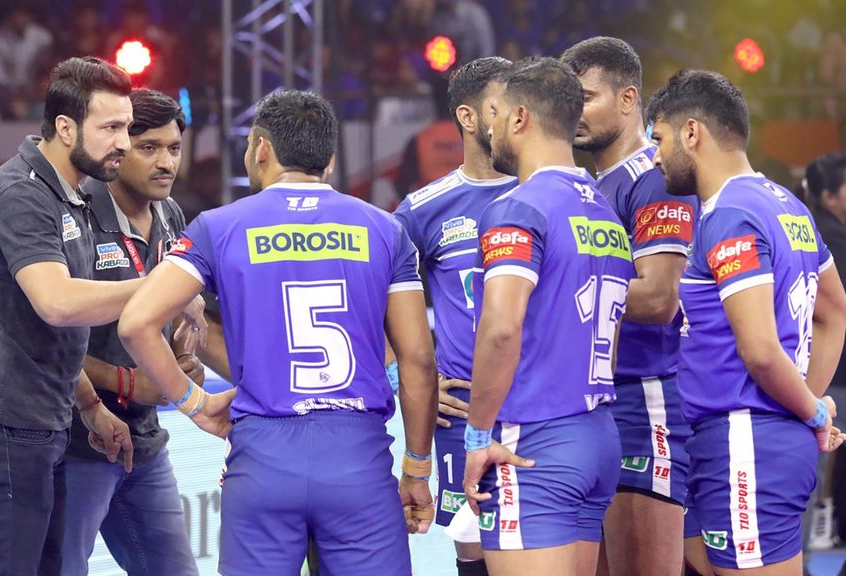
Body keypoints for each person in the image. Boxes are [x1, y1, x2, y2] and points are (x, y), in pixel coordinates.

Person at [118, 89, 439, 575]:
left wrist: (194, 404)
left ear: (260, 149)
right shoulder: (386, 230)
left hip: (263, 455)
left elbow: (136, 322)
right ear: (329, 160)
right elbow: (417, 359)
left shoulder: (217, 227)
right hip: (358, 458)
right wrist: (417, 466)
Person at [0, 56, 169, 576]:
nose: (124, 143)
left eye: (127, 128)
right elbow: (58, 303)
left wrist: (90, 408)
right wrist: (166, 286)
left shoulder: (76, 193)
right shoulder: (22, 193)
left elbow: (51, 336)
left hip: (46, 421)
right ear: (65, 128)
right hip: (3, 423)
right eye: (110, 128)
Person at [647, 69, 846, 575]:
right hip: (748, 438)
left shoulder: (730, 214)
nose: (653, 156)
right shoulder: (788, 205)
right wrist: (803, 403)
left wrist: (811, 412)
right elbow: (835, 311)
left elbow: (759, 349)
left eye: (659, 138)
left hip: (747, 439)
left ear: (692, 133)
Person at [461, 57, 632, 576]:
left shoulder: (520, 206)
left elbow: (501, 329)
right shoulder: (604, 209)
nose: (489, 129)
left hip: (533, 440)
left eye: (497, 116)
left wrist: (476, 434)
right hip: (597, 432)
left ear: (519, 119)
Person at [560, 37, 697, 576]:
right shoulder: (597, 184)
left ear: (627, 99)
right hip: (597, 401)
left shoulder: (652, 179)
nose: (576, 113)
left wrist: (555, 298)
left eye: (588, 98)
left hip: (645, 400)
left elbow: (661, 297)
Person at [60, 88, 201, 576]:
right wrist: (123, 384)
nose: (166, 163)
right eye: (150, 148)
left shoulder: (171, 216)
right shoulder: (76, 217)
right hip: (78, 441)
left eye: (174, 148)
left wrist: (179, 361)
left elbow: (160, 322)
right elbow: (46, 338)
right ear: (119, 150)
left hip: (143, 442)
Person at [392, 55, 517, 576]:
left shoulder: (553, 193)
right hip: (466, 415)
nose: (517, 115)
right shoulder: (422, 209)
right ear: (468, 117)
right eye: (503, 105)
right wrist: (409, 377)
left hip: (548, 406)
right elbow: (377, 308)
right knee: (477, 551)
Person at [805, 151, 846, 576]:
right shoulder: (836, 241)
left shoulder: (818, 233)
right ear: (829, 196)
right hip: (842, 375)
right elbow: (845, 315)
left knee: (812, 463)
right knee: (811, 462)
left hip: (825, 374)